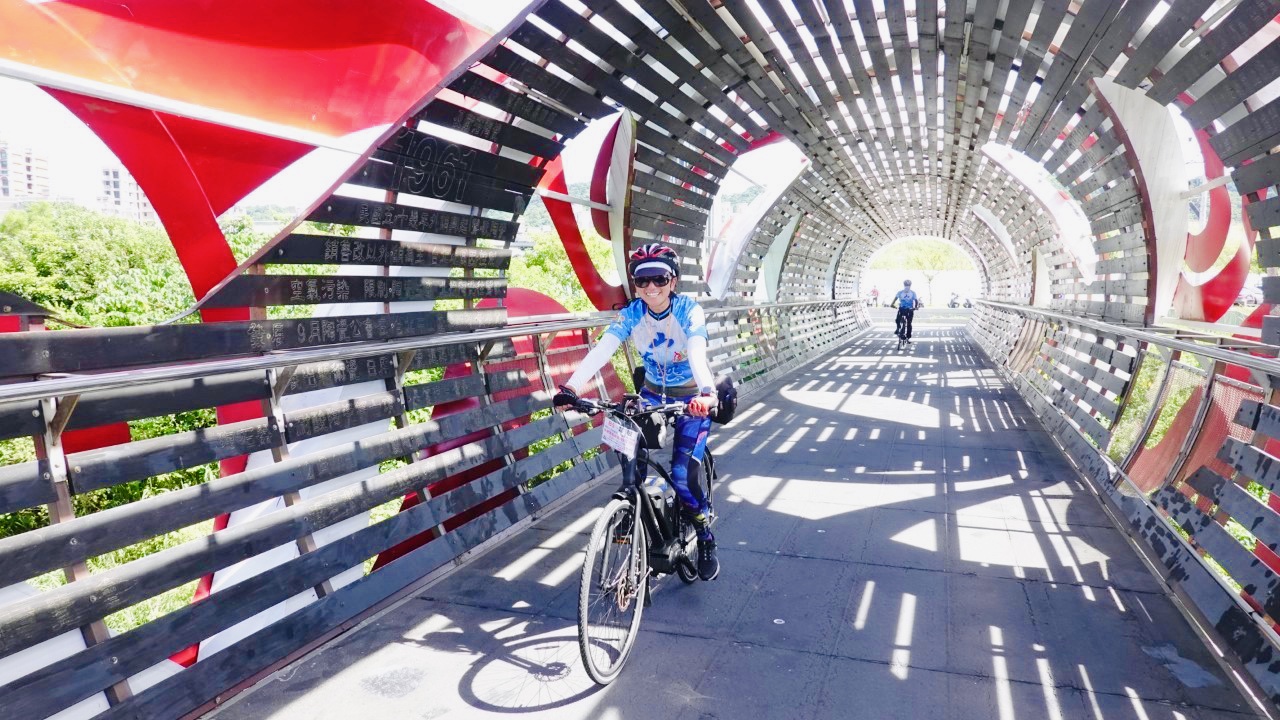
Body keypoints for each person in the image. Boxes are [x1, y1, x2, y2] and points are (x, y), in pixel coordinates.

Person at [553, 243, 720, 581]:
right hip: (651, 395)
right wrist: (572, 387)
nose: (650, 288)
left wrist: (706, 393)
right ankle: (631, 507)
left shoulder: (689, 310)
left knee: (683, 477)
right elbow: (603, 349)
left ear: (673, 281)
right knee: (630, 456)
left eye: (658, 278)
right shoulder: (632, 313)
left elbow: (697, 353)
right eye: (642, 281)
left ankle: (705, 537)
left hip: (690, 398)